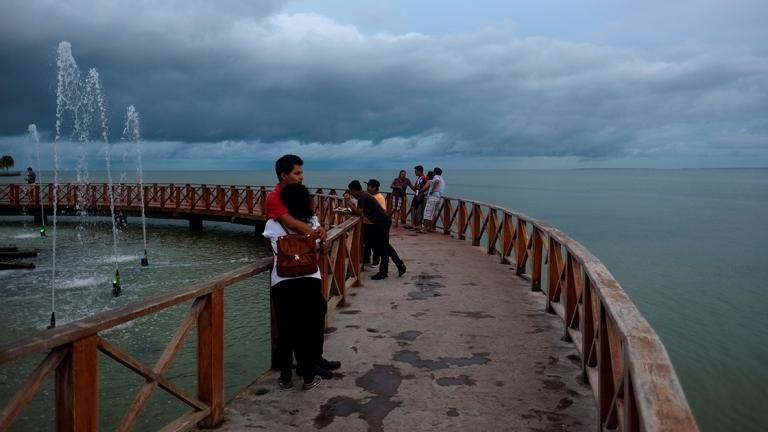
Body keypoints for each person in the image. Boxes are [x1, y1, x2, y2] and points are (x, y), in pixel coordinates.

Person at [264, 155, 339, 383]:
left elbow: (304, 220)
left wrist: (319, 227)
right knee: (305, 320)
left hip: (294, 271)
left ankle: (311, 362)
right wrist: (315, 231)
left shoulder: (294, 196)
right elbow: (292, 223)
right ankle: (309, 367)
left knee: (314, 313)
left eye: (301, 172)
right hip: (298, 270)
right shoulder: (274, 198)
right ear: (283, 175)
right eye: (297, 173)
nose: (301, 176)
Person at [345, 180, 406, 280]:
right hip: (381, 222)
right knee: (385, 246)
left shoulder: (362, 197)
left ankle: (385, 272)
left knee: (383, 247)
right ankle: (399, 266)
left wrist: (348, 202)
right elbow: (360, 211)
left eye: (351, 192)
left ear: (354, 190)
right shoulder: (364, 195)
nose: (351, 194)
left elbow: (359, 212)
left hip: (383, 222)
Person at [422, 167, 446, 233]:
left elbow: (437, 181)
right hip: (438, 197)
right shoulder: (442, 179)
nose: (432, 173)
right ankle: (431, 227)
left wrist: (432, 190)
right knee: (433, 213)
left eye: (433, 172)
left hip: (433, 197)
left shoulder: (436, 177)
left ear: (435, 172)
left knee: (428, 213)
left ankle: (425, 229)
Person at [407, 165, 429, 230]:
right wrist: (410, 185)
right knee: (414, 209)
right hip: (417, 195)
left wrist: (418, 189)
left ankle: (416, 224)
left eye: (416, 171)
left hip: (419, 196)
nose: (415, 172)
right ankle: (414, 224)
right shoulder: (420, 178)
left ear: (419, 171)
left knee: (415, 209)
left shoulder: (423, 178)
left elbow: (421, 188)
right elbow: (415, 188)